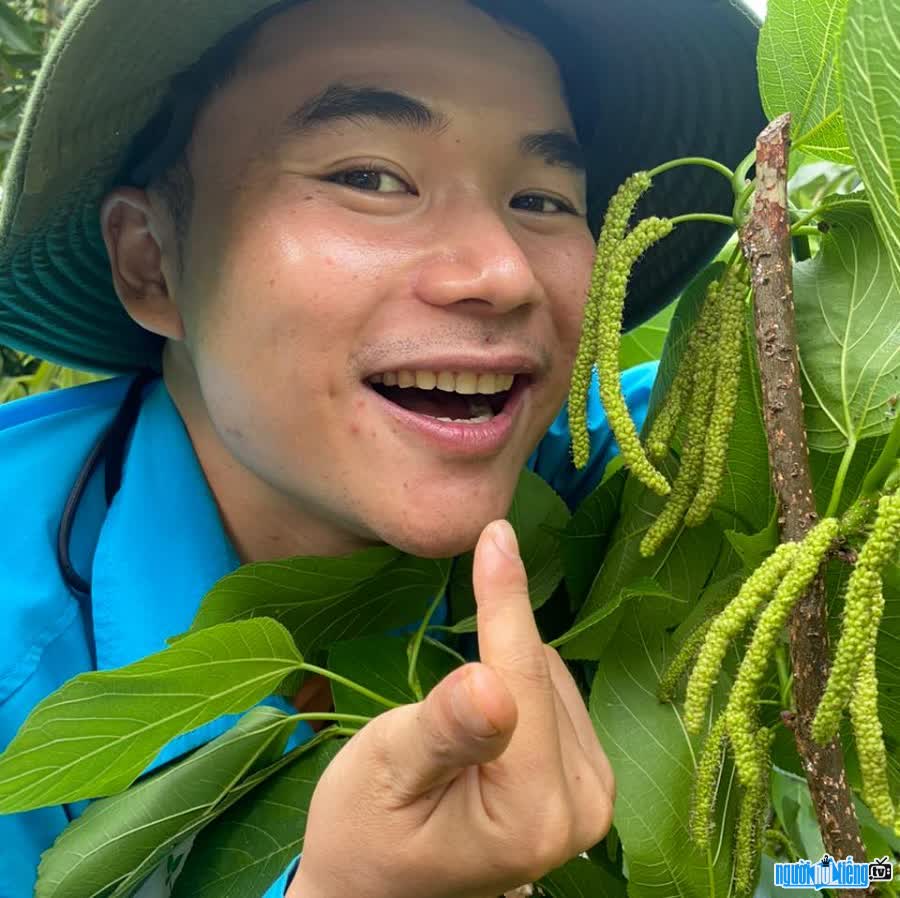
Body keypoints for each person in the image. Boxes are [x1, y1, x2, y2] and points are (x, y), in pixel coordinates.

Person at [0, 0, 765, 895]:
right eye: (370, 176)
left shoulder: (611, 469)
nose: (502, 273)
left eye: (543, 199)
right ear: (150, 262)